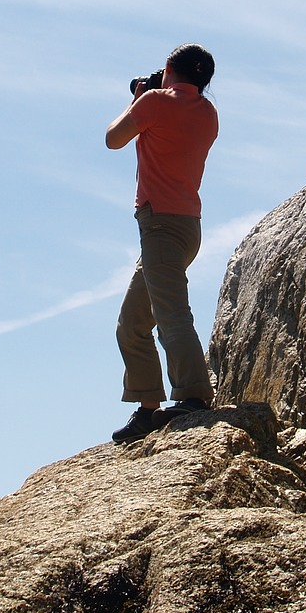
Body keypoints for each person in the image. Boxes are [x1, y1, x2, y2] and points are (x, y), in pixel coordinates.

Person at [105, 43, 218, 444]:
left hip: (159, 227)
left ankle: (193, 396)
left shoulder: (153, 102)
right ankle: (148, 407)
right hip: (187, 228)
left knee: (171, 316)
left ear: (169, 67)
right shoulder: (208, 113)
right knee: (133, 323)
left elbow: (112, 139)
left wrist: (139, 97)